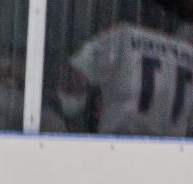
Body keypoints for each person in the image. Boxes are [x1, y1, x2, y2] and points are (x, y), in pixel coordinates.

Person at [57, 20, 193, 137]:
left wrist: (69, 104)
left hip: (118, 145)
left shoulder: (124, 36)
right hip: (171, 152)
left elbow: (76, 74)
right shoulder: (187, 55)